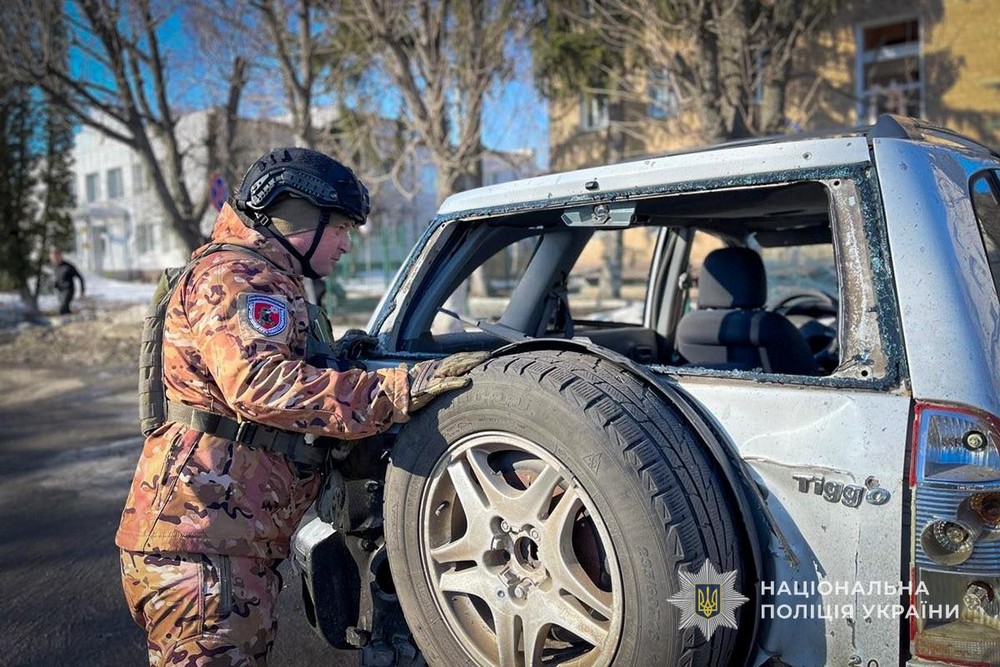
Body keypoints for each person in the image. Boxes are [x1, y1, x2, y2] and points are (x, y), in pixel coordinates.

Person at [116, 147, 485, 666]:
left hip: (218, 538)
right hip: (202, 543)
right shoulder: (237, 277)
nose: (347, 243)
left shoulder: (259, 277)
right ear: (295, 217)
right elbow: (261, 384)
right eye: (339, 227)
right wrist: (396, 392)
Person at [49, 249, 84, 314]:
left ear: (60, 256)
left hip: (68, 290)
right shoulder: (55, 267)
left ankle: (66, 321)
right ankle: (72, 320)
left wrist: (82, 291)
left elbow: (80, 278)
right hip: (60, 291)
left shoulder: (68, 266)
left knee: (63, 308)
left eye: (56, 257)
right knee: (65, 309)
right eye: (53, 258)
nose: (55, 260)